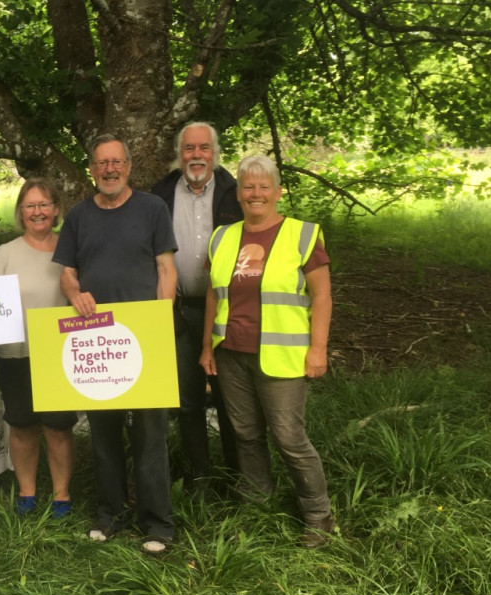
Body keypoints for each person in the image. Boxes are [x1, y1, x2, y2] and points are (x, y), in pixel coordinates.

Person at [199, 154, 335, 548]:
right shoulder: (222, 237)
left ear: (276, 192)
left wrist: (318, 349)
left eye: (263, 186)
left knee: (289, 437)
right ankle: (258, 502)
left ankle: (318, 515)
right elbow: (213, 294)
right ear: (238, 193)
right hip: (232, 352)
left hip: (283, 356)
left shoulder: (302, 234)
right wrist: (207, 345)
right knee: (245, 434)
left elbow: (322, 297)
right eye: (247, 186)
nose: (255, 193)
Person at [53, 134, 178, 555]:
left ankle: (158, 523)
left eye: (117, 162)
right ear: (92, 169)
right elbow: (67, 272)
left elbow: (166, 268)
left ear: (128, 166)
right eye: (102, 163)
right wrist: (73, 294)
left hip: (144, 337)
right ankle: (110, 514)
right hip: (95, 341)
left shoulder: (152, 209)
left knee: (149, 434)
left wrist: (161, 321)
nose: (110, 169)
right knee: (103, 432)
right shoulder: (78, 217)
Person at [0, 178, 76, 518]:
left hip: (59, 355)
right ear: (21, 212)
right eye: (30, 206)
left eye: (44, 205)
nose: (37, 212)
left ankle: (62, 494)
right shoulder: (5, 254)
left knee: (59, 427)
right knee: (21, 425)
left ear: (56, 209)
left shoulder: (70, 250)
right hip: (14, 354)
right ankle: (27, 492)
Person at [151, 122, 242, 488]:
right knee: (188, 401)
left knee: (231, 400)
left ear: (215, 152)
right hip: (181, 310)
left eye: (204, 147)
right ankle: (200, 477)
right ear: (179, 153)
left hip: (228, 311)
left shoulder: (234, 191)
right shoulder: (161, 193)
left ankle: (239, 478)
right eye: (189, 148)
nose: (196, 155)